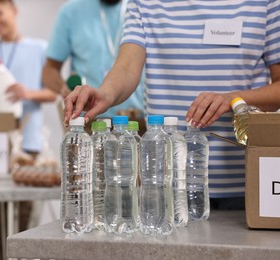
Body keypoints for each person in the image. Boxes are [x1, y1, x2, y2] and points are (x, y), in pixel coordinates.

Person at [64, 0, 280, 210]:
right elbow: (127, 67)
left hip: (249, 184)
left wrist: (233, 99)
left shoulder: (265, 3)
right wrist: (105, 94)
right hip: (169, 191)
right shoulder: (144, 3)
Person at [0, 0, 56, 257]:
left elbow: (54, 93)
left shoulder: (40, 49)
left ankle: (20, 255)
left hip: (28, 140)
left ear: (14, 11)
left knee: (26, 208)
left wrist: (27, 92)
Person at [42, 0, 145, 132]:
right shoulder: (71, 12)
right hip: (90, 123)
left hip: (138, 122)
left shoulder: (142, 8)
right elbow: (50, 69)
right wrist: (64, 89)